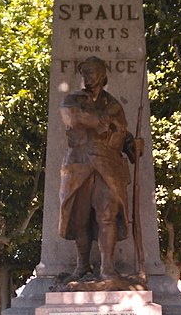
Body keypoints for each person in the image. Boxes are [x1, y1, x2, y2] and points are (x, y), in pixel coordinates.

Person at [58, 56, 140, 280]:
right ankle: (82, 265)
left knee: (107, 216)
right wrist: (104, 121)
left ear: (103, 75)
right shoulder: (72, 99)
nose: (87, 76)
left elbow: (120, 134)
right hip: (79, 163)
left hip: (109, 164)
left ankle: (107, 268)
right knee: (80, 218)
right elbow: (74, 118)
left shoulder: (114, 105)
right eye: (84, 72)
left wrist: (131, 144)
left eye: (92, 71)